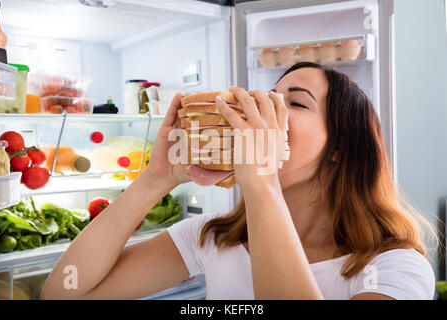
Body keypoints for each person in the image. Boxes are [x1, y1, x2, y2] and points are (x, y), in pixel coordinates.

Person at [40, 62, 437, 300]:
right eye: (266, 95)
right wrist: (156, 178)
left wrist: (261, 182)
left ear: (340, 148)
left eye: (295, 102)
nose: (264, 110)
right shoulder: (215, 238)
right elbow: (63, 291)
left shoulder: (394, 267)